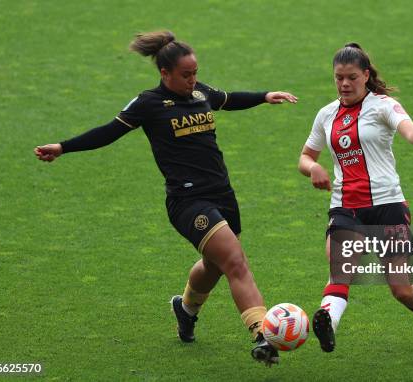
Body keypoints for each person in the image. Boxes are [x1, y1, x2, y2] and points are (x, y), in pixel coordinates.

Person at [34, 30, 297, 366]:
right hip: (188, 202)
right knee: (235, 261)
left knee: (215, 266)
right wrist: (63, 147)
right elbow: (108, 131)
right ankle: (262, 333)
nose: (193, 80)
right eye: (186, 75)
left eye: (195, 73)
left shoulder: (200, 92)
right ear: (164, 73)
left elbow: (229, 98)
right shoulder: (149, 104)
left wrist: (264, 96)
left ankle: (185, 309)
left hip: (223, 195)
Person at [298, 43, 413, 352]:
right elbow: (305, 156)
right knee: (340, 267)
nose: (344, 84)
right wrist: (313, 167)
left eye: (351, 77)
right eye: (338, 77)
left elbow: (412, 133)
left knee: (402, 290)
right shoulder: (326, 114)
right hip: (345, 206)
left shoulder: (383, 106)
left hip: (388, 207)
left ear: (366, 75)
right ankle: (328, 323)